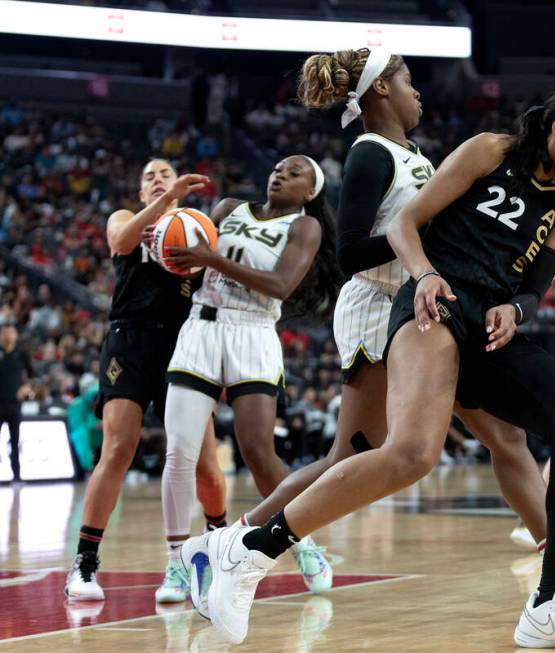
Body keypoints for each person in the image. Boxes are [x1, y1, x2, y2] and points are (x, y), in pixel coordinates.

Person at [194, 86, 555, 649]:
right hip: (435, 305)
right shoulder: (489, 151)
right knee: (410, 454)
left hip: (490, 328)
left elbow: (535, 288)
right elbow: (405, 226)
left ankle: (552, 601)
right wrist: (425, 275)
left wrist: (517, 307)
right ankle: (250, 551)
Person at [159, 154, 344, 596]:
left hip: (255, 332)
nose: (280, 174)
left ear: (311, 192)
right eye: (278, 168)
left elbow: (281, 285)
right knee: (180, 452)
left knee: (259, 453)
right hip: (202, 326)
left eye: (294, 172)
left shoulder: (305, 228)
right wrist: (170, 251)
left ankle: (302, 542)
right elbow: (194, 258)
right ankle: (176, 564)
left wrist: (210, 258)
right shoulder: (226, 208)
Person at [64, 160, 227, 603]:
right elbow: (119, 239)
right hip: (129, 340)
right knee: (118, 449)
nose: (156, 178)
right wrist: (165, 198)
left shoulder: (197, 229)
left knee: (203, 463)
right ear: (141, 193)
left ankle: (217, 551)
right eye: (149, 176)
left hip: (184, 343)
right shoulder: (125, 220)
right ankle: (84, 562)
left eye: (164, 173)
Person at [0, 321, 32, 482]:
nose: (8, 335)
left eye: (11, 332)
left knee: (15, 441)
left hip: (14, 405)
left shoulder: (21, 354)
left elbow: (32, 377)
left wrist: (26, 388)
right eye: (4, 332)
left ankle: (17, 476)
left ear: (16, 334)